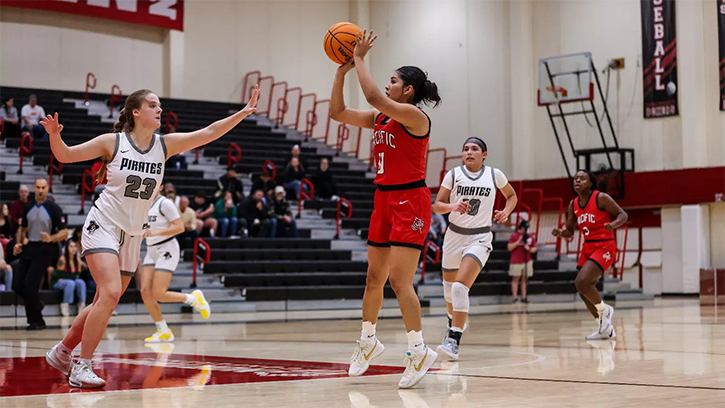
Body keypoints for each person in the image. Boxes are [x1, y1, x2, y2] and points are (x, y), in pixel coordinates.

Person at [42, 85, 259, 388]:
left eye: (159, 105)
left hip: (133, 234)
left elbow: (209, 132)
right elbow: (64, 155)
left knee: (105, 300)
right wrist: (54, 134)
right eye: (153, 105)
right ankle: (83, 365)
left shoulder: (164, 145)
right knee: (110, 293)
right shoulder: (113, 142)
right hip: (103, 224)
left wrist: (243, 113)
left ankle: (61, 352)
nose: (159, 109)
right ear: (135, 111)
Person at [331, 29, 443, 388]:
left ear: (407, 90)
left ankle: (419, 349)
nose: (388, 84)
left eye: (394, 81)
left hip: (411, 199)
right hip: (383, 198)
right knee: (373, 279)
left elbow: (372, 95)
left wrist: (361, 58)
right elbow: (338, 112)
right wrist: (340, 71)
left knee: (399, 280)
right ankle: (368, 342)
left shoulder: (414, 117)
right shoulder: (380, 119)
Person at [433, 138, 517, 360]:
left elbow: (512, 196)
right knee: (449, 289)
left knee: (460, 287)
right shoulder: (453, 175)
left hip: (480, 237)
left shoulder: (494, 174)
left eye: (474, 149)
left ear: (484, 154)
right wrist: (452, 206)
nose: (469, 152)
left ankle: (454, 339)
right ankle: (454, 321)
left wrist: (506, 212)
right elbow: (437, 204)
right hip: (453, 235)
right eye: (465, 149)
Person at [552, 170, 627, 341]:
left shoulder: (600, 198)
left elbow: (623, 214)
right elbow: (570, 231)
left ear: (591, 183)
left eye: (582, 178)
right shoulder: (573, 204)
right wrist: (561, 232)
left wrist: (613, 225)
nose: (577, 181)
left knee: (582, 282)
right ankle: (604, 328)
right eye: (575, 178)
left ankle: (605, 311)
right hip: (588, 247)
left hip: (604, 245)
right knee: (582, 289)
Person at [140, 192, 210, 343]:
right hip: (151, 250)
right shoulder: (142, 203)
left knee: (159, 293)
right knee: (145, 292)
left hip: (167, 248)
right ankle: (163, 331)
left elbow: (179, 227)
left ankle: (193, 298)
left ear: (160, 187)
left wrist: (156, 232)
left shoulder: (164, 203)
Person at [12, 178, 68, 330]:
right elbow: (22, 229)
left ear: (47, 188)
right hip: (29, 247)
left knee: (30, 285)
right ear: (34, 188)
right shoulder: (28, 208)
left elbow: (64, 232)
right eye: (38, 187)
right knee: (17, 285)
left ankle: (37, 321)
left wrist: (51, 238)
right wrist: (19, 243)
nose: (41, 190)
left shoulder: (53, 208)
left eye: (43, 187)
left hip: (45, 249)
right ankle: (37, 304)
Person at [51, 241, 87, 317]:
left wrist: (68, 276)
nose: (73, 248)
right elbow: (58, 275)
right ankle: (65, 305)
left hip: (69, 280)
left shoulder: (77, 260)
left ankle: (82, 305)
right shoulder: (62, 259)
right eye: (71, 246)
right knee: (70, 283)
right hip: (57, 282)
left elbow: (77, 275)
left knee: (81, 282)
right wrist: (70, 276)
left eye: (75, 246)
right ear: (66, 248)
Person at [508, 220, 537, 304]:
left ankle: (524, 297)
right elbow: (509, 247)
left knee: (524, 279)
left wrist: (529, 249)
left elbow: (534, 248)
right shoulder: (514, 236)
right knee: (515, 279)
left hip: (526, 261)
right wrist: (518, 242)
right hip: (516, 261)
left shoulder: (529, 237)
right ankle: (515, 298)